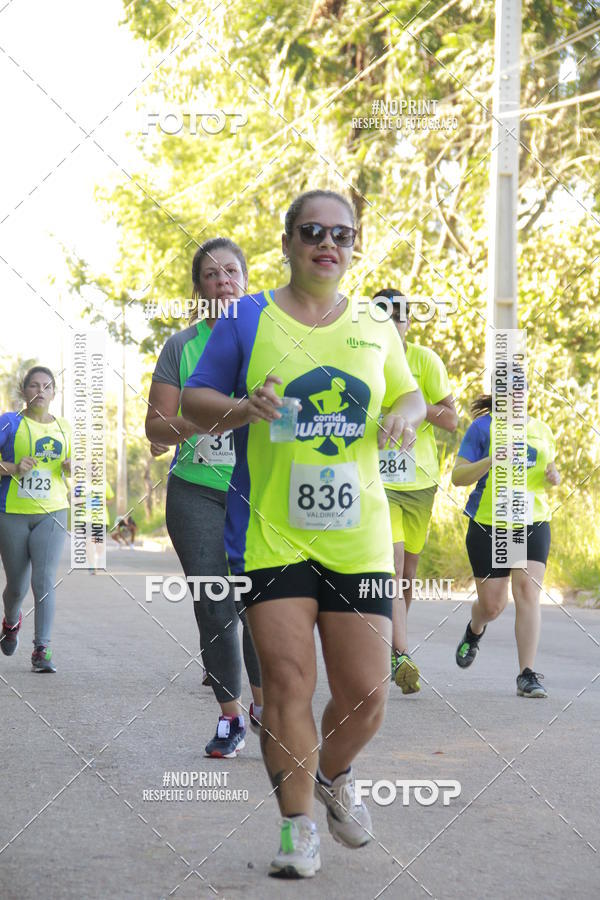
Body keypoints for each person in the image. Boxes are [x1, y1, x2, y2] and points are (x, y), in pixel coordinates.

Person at [181, 190, 425, 878]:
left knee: (368, 694)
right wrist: (243, 407)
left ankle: (334, 772)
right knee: (288, 683)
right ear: (287, 241)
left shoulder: (376, 323)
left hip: (359, 538)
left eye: (342, 235)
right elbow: (194, 401)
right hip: (272, 534)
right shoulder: (246, 318)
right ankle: (297, 829)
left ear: (354, 246)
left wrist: (406, 415)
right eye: (313, 231)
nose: (328, 244)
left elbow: (408, 392)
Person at [145, 237, 263, 758]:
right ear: (198, 288)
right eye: (212, 275)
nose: (223, 282)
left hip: (259, 492)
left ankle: (267, 708)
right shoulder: (181, 347)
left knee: (261, 603)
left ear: (246, 280)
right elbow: (156, 426)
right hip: (196, 490)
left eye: (231, 272)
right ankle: (230, 717)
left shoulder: (269, 339)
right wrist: (204, 420)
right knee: (215, 602)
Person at [451, 382, 560, 698]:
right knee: (493, 605)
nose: (517, 396)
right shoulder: (482, 428)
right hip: (490, 523)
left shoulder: (540, 429)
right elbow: (458, 477)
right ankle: (475, 629)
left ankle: (527, 674)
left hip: (531, 520)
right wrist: (491, 460)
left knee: (527, 591)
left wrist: (553, 477)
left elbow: (548, 471)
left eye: (521, 389)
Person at [373, 290, 457, 694]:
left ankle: (392, 647)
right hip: (379, 480)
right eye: (383, 316)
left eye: (398, 317)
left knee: (407, 574)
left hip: (420, 482)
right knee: (391, 566)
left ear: (408, 322)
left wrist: (416, 408)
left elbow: (452, 420)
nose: (392, 323)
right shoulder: (364, 358)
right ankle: (401, 653)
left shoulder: (426, 361)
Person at [0, 366, 71, 672]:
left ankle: (42, 649)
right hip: (12, 513)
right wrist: (13, 468)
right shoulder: (9, 422)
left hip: (52, 511)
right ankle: (11, 622)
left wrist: (73, 467)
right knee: (17, 586)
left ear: (54, 393)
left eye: (47, 386)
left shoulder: (65, 428)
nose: (41, 391)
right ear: (24, 390)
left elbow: (83, 468)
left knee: (43, 581)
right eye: (34, 385)